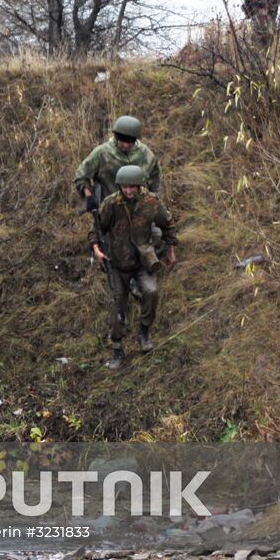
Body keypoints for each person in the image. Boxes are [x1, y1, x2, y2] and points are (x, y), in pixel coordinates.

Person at [89, 165, 179, 370]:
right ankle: (117, 349)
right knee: (118, 305)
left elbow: (168, 225)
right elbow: (96, 228)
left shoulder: (151, 203)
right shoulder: (111, 204)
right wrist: (96, 248)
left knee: (151, 292)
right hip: (117, 261)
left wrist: (171, 251)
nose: (128, 191)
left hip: (142, 261)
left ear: (139, 186)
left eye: (132, 187)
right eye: (125, 187)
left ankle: (144, 331)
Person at [73, 115, 161, 208]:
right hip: (110, 211)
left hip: (140, 211)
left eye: (130, 141)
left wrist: (155, 203)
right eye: (122, 140)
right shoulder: (102, 153)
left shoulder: (145, 154)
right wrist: (89, 197)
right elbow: (81, 177)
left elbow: (155, 180)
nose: (126, 145)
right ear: (116, 137)